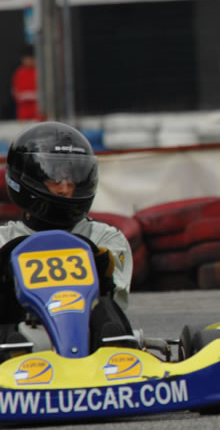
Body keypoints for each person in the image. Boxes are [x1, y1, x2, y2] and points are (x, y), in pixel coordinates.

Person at [0, 122, 133, 352]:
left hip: (86, 338)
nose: (65, 190)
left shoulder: (106, 239)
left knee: (106, 309)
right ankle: (14, 358)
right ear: (25, 179)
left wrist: (100, 270)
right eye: (55, 180)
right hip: (19, 337)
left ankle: (118, 358)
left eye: (73, 180)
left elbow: (118, 298)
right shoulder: (3, 240)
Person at [11, 44, 42, 121]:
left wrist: (33, 95)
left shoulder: (40, 71)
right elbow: (15, 91)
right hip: (24, 113)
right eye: (26, 59)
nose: (28, 61)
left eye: (31, 58)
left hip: (38, 112)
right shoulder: (19, 73)